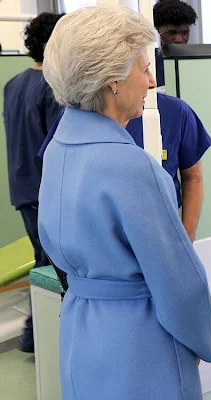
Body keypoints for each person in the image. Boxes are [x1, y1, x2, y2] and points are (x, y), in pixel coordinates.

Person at [39, 7, 211, 400]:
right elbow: (180, 284)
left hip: (80, 328)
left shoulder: (58, 150)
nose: (151, 80)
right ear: (113, 81)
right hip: (139, 340)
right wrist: (201, 340)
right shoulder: (133, 166)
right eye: (142, 68)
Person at [41, 91, 211, 242]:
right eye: (143, 69)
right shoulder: (77, 115)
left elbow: (193, 177)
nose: (151, 81)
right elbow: (58, 180)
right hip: (97, 241)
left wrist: (185, 242)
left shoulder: (175, 112)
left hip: (160, 234)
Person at [2, 12, 64, 353]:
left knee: (43, 262)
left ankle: (35, 337)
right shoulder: (53, 90)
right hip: (45, 191)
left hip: (24, 191)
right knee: (51, 267)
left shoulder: (13, 85)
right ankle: (35, 336)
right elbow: (56, 146)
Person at [153, 0, 198, 88]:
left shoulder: (199, 63)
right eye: (171, 33)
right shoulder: (148, 64)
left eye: (185, 33)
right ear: (158, 30)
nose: (179, 39)